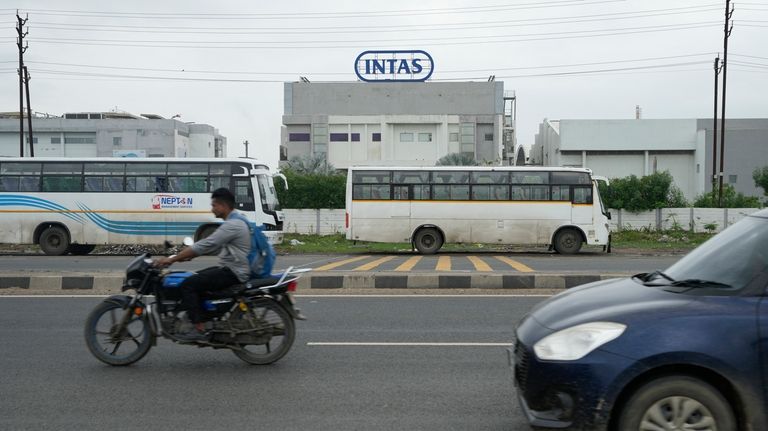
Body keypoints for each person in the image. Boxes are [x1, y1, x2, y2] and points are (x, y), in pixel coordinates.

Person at [153, 187, 251, 341]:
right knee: (197, 277)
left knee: (188, 284)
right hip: (231, 268)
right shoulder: (236, 220)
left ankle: (197, 326)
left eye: (214, 205)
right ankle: (206, 316)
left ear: (223, 206)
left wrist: (172, 259)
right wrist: (186, 256)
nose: (212, 210)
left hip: (234, 272)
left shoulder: (232, 225)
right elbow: (211, 246)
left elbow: (206, 244)